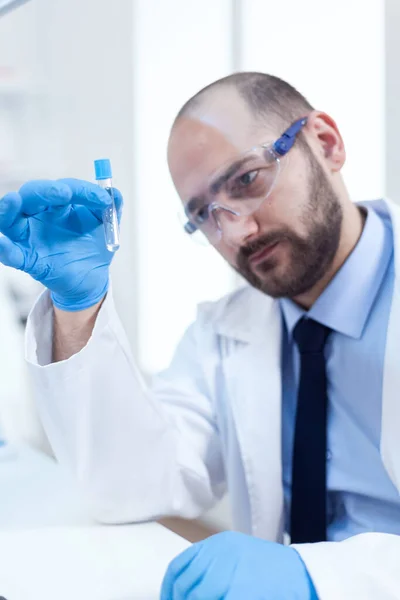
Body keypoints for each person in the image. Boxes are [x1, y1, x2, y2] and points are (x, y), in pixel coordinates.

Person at [0, 72, 398, 599]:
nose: (234, 231)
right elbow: (131, 484)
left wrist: (322, 577)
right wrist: (81, 306)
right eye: (204, 215)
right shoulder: (225, 330)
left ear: (325, 143)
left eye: (247, 181)